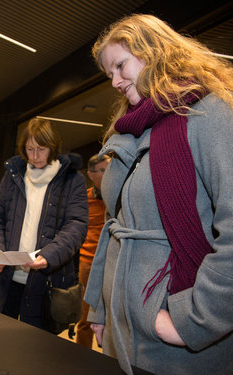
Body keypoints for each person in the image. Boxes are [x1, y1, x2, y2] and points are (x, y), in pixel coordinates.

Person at [83, 14, 233, 375]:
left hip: (176, 347)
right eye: (110, 75)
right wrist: (100, 309)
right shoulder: (129, 133)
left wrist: (192, 320)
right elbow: (113, 226)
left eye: (120, 66)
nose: (116, 82)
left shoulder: (210, 115)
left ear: (153, 51)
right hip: (121, 336)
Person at [0, 118, 88, 331]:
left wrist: (50, 254)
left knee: (36, 351)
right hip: (5, 279)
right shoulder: (13, 175)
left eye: (41, 149)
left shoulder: (72, 180)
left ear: (52, 147)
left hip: (44, 283)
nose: (35, 156)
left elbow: (77, 225)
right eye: (30, 149)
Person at [75, 153, 110, 348]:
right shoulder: (85, 199)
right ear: (90, 174)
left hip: (113, 263)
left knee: (113, 320)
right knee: (86, 318)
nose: (108, 174)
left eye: (109, 169)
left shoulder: (120, 196)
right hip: (89, 263)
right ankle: (81, 361)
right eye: (102, 170)